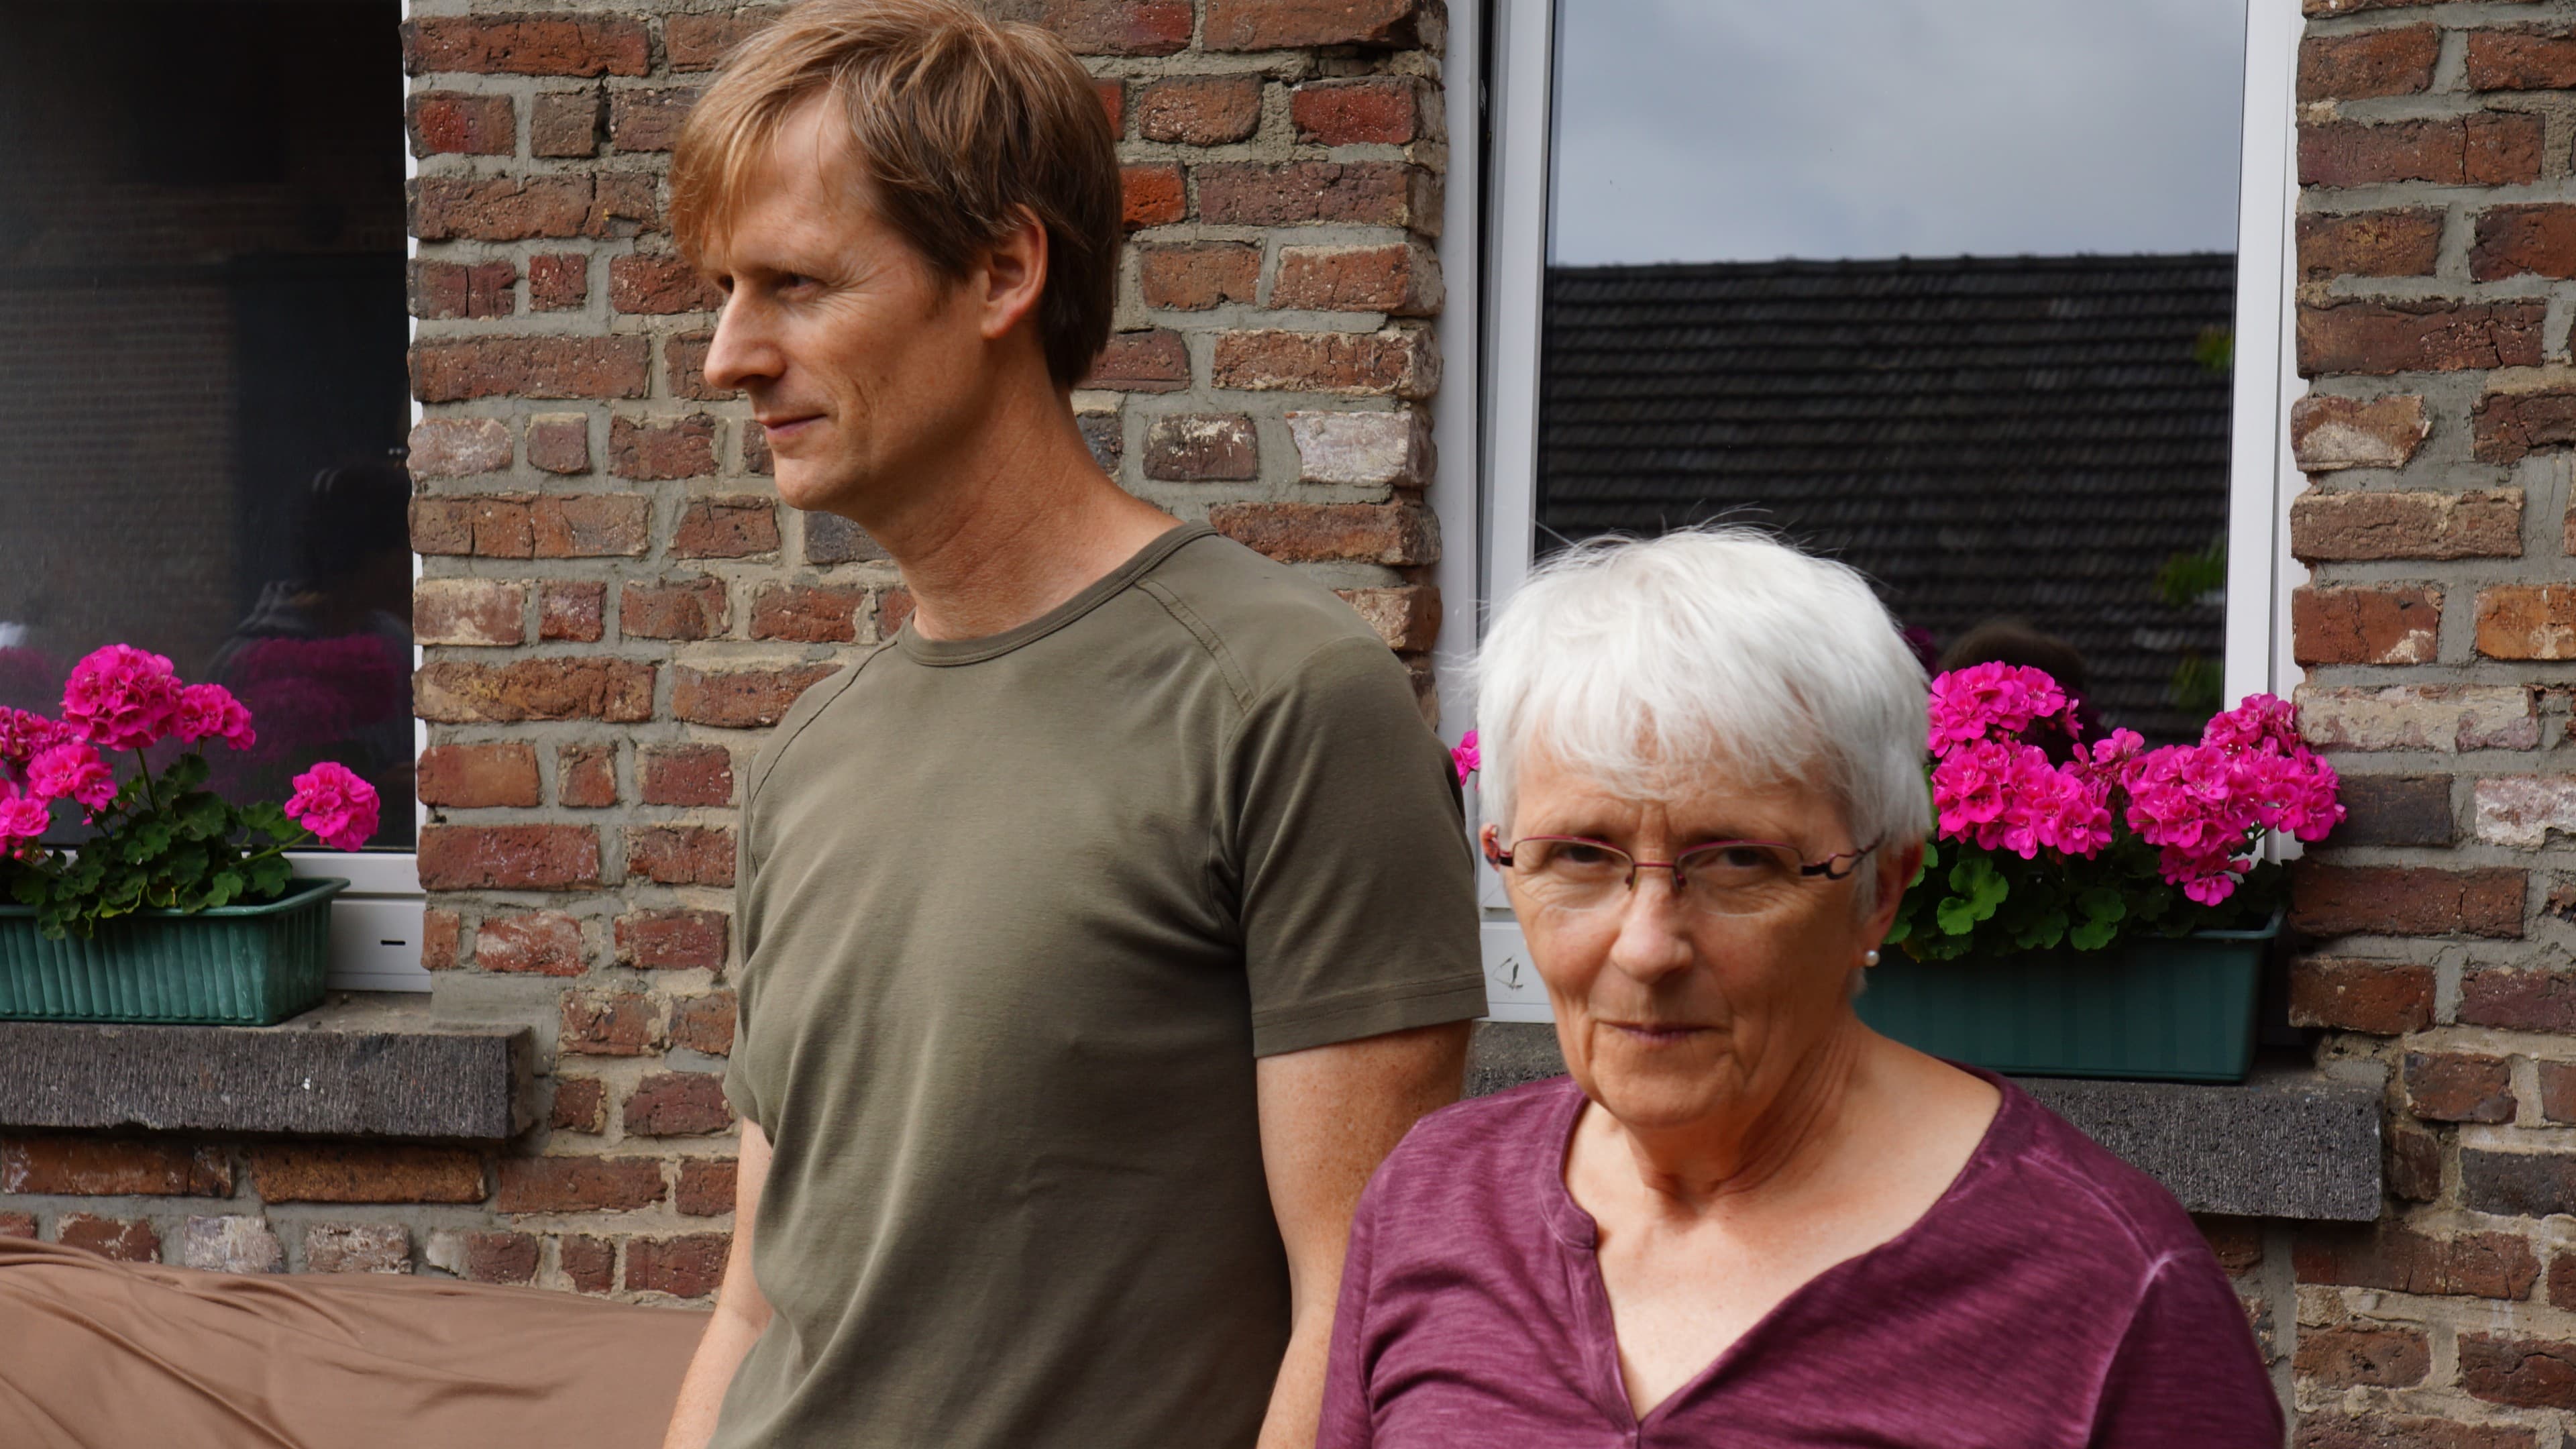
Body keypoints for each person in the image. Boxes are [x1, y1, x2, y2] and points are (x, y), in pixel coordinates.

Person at [659, 4, 1489, 1448]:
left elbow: (1355, 1311)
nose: (729, 355)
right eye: (726, 289)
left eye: (792, 283)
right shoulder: (807, 758)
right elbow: (756, 1295)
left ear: (1002, 271)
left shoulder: (1283, 704)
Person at [1320, 528, 2282, 1446]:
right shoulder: (1434, 1200)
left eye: (1739, 861)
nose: (1648, 947)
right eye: (1579, 853)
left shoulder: (2104, 1285)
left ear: (1882, 891)